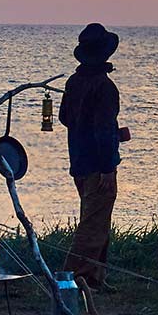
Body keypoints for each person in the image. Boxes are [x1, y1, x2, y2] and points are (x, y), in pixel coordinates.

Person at [59, 22, 122, 289]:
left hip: (79, 160)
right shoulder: (104, 87)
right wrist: (108, 167)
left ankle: (95, 277)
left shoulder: (74, 82)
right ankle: (72, 279)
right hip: (98, 164)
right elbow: (104, 129)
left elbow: (64, 118)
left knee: (97, 219)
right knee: (92, 225)